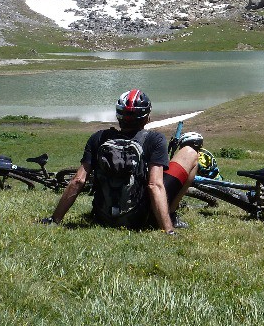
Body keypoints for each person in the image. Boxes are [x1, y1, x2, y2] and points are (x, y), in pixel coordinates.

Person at [43, 89, 200, 234]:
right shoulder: (154, 139)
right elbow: (154, 185)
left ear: (118, 116)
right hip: (141, 220)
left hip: (102, 217)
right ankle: (170, 216)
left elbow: (78, 181)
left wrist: (55, 219)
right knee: (190, 153)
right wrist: (168, 231)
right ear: (147, 117)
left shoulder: (99, 138)